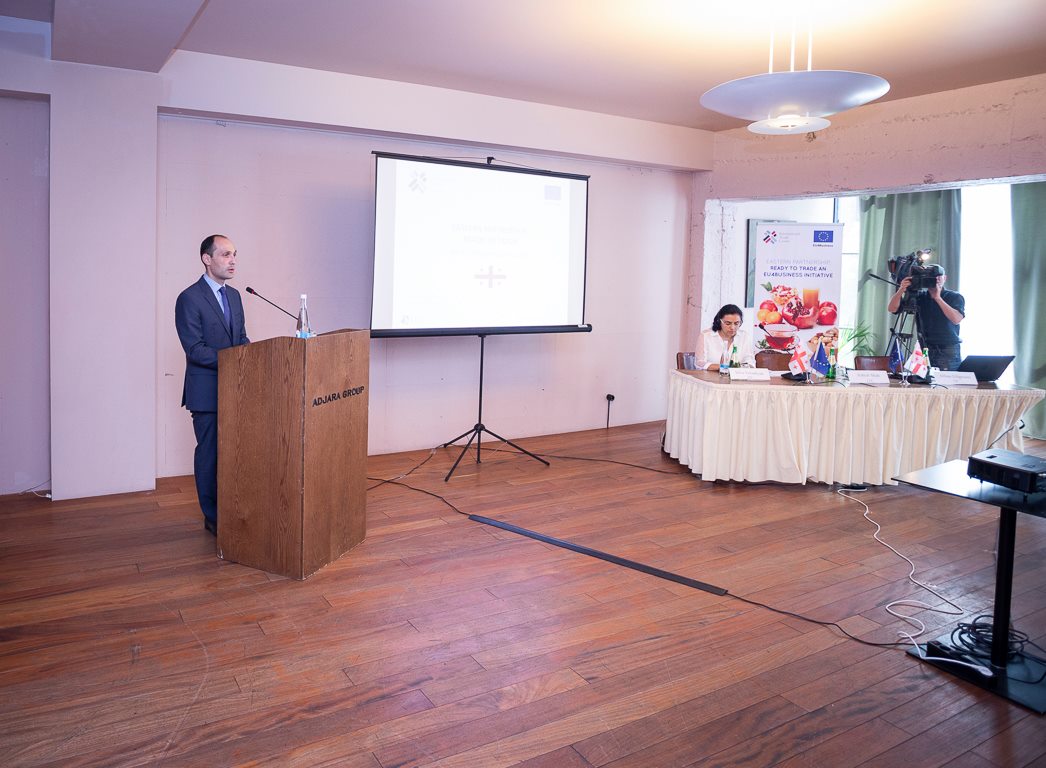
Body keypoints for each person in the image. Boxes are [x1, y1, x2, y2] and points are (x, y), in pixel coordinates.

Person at [175, 235, 249, 535]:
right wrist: (235, 359)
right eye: (225, 254)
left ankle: (234, 510)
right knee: (210, 455)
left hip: (236, 390)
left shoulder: (235, 296)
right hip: (206, 393)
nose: (233, 261)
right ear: (207, 259)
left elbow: (240, 338)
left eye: (234, 254)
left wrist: (253, 356)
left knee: (235, 453)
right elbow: (195, 349)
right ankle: (213, 516)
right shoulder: (189, 298)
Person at [887, 268, 965, 370]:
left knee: (946, 379)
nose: (935, 280)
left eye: (939, 277)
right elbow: (892, 308)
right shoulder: (920, 296)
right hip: (925, 348)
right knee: (921, 378)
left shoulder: (954, 296)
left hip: (947, 348)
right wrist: (901, 289)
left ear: (945, 278)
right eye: (932, 278)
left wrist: (938, 298)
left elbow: (956, 319)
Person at [695, 304, 755, 370]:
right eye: (728, 323)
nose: (732, 327)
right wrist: (725, 367)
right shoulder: (706, 336)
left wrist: (740, 367)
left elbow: (750, 362)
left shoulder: (744, 336)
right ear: (719, 321)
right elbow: (699, 363)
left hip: (737, 376)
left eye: (736, 323)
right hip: (710, 375)